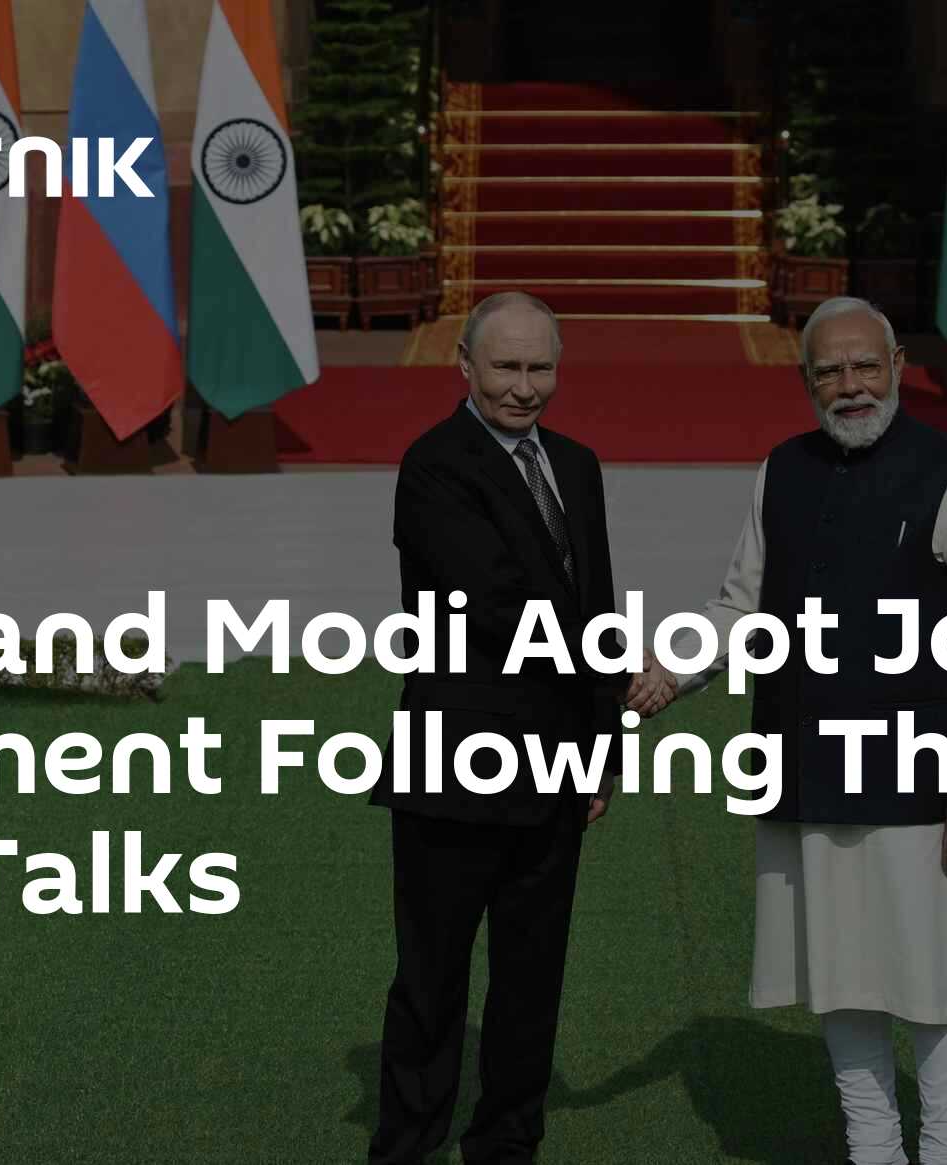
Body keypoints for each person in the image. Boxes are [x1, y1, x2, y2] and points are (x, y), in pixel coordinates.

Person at [631, 296, 947, 1165]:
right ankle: (872, 1148)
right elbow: (739, 606)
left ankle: (945, 1152)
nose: (850, 385)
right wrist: (669, 669)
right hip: (803, 770)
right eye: (829, 371)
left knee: (932, 980)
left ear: (895, 365)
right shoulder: (781, 468)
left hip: (917, 782)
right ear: (807, 380)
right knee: (839, 974)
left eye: (864, 365)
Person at [368, 291, 623, 1165]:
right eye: (506, 366)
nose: (523, 386)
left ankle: (507, 1143)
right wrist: (613, 665)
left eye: (539, 367)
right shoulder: (433, 466)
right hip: (454, 768)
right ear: (465, 366)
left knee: (531, 977)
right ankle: (407, 1145)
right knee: (431, 978)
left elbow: (596, 598)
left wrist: (602, 750)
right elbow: (496, 604)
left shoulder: (577, 465)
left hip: (555, 774)